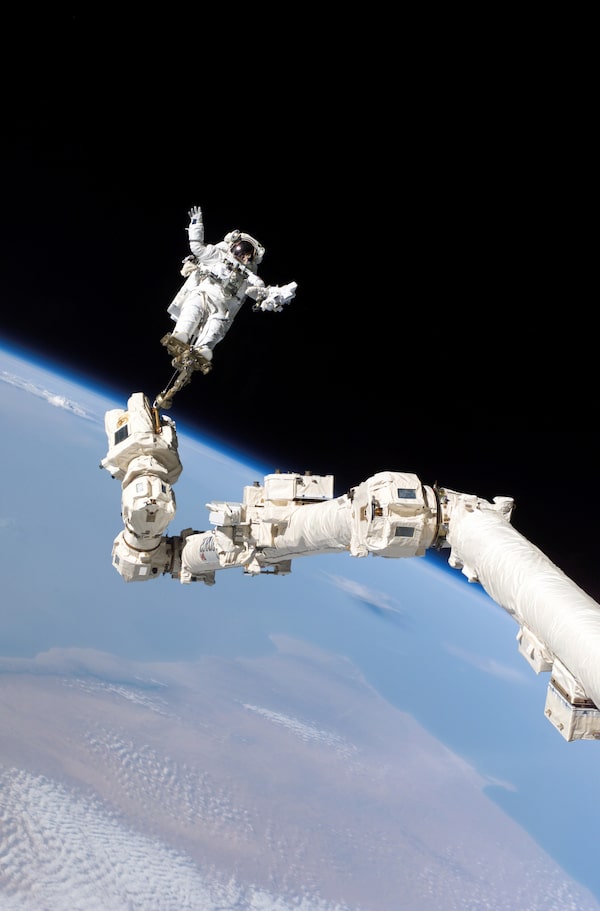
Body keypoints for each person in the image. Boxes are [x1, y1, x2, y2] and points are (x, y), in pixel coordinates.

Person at [164, 206, 297, 368]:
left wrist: (274, 297)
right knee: (194, 308)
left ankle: (202, 349)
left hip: (222, 308)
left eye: (249, 254)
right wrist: (196, 224)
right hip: (204, 294)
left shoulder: (251, 277)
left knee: (217, 325)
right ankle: (182, 333)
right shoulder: (218, 256)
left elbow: (263, 294)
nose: (244, 256)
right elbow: (197, 247)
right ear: (234, 246)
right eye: (243, 250)